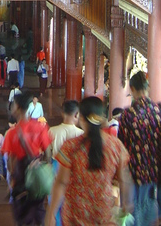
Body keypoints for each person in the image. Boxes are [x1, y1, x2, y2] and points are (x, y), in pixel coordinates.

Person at [45, 96, 130, 226]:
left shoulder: (71, 146)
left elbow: (61, 182)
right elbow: (123, 179)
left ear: (82, 118)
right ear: (102, 118)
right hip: (103, 212)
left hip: (75, 213)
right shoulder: (116, 146)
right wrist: (126, 204)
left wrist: (51, 212)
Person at [117, 71, 161, 226]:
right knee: (153, 208)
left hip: (133, 171)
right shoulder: (160, 112)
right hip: (156, 170)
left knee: (133, 210)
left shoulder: (127, 115)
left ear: (132, 89)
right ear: (147, 88)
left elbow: (120, 146)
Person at [1, 92, 52, 226]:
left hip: (21, 180)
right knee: (38, 212)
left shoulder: (11, 133)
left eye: (12, 105)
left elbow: (11, 161)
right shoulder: (40, 127)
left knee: (23, 217)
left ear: (17, 107)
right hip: (36, 178)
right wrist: (42, 169)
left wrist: (11, 181)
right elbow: (48, 153)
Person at [47, 100, 83, 226]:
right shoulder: (81, 134)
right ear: (77, 114)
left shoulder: (52, 131)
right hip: (75, 170)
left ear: (62, 113)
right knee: (72, 202)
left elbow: (47, 153)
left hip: (56, 166)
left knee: (55, 202)